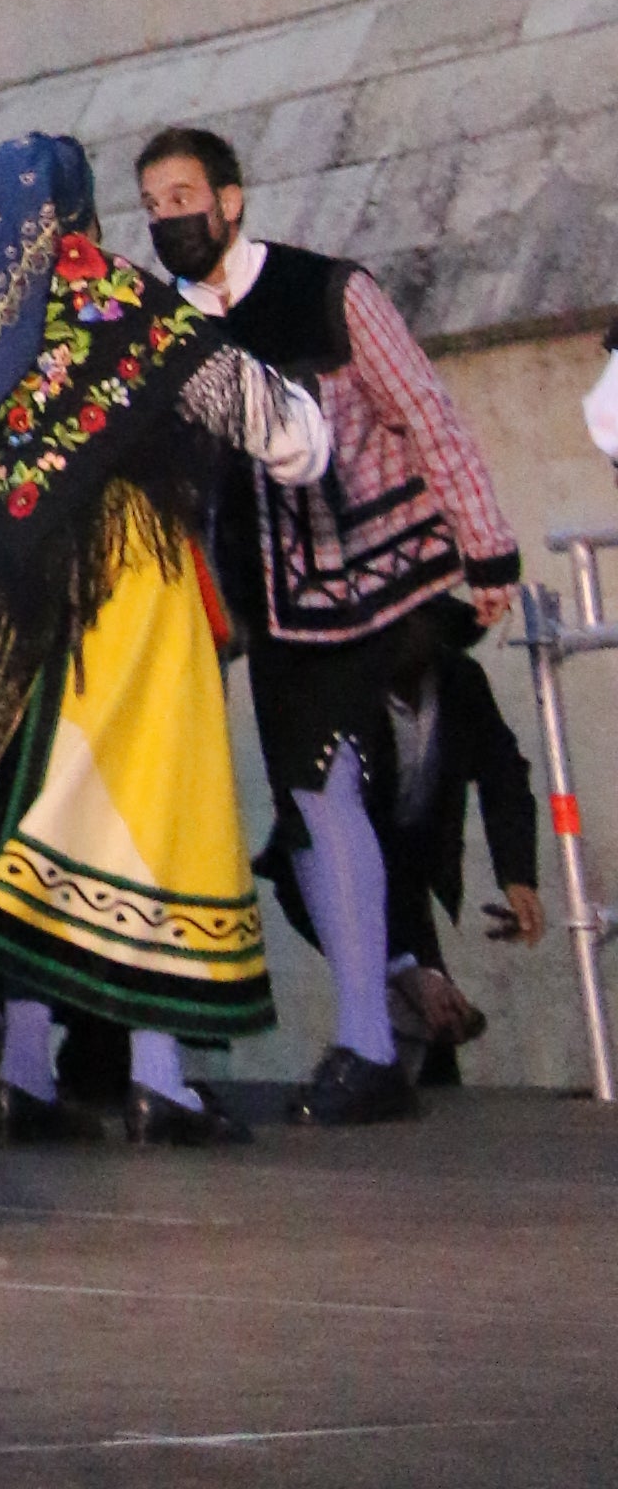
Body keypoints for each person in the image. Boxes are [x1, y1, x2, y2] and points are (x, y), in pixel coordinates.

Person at [0, 131, 328, 1149]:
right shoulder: (122, 303)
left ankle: (23, 1078)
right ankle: (160, 1081)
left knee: (13, 839)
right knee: (142, 817)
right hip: (122, 600)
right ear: (80, 214)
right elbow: (288, 438)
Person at [134, 126, 520, 1127]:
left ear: (233, 199)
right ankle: (372, 1031)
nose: (169, 218)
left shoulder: (328, 292)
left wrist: (487, 548)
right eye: (153, 204)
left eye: (184, 197)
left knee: (336, 793)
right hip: (271, 608)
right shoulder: (167, 327)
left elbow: (425, 408)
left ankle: (367, 1040)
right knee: (314, 808)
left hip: (381, 586)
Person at [377, 623, 542, 1076]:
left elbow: (502, 770)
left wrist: (517, 877)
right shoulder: (349, 687)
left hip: (410, 863)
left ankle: (429, 1095)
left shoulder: (458, 680)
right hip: (339, 862)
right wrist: (406, 966)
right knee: (404, 981)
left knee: (434, 1009)